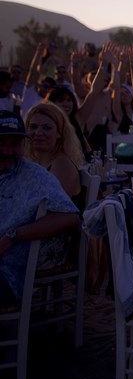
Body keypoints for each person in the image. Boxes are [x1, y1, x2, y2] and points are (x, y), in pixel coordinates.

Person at [0, 110, 80, 305]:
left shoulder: (35, 176)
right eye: (2, 142)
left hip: (6, 272)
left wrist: (13, 235)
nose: (8, 151)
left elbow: (70, 217)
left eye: (15, 143)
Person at [24, 102, 83, 201]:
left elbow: (56, 205)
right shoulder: (34, 160)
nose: (38, 133)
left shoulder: (61, 164)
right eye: (33, 127)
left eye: (47, 128)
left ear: (59, 133)